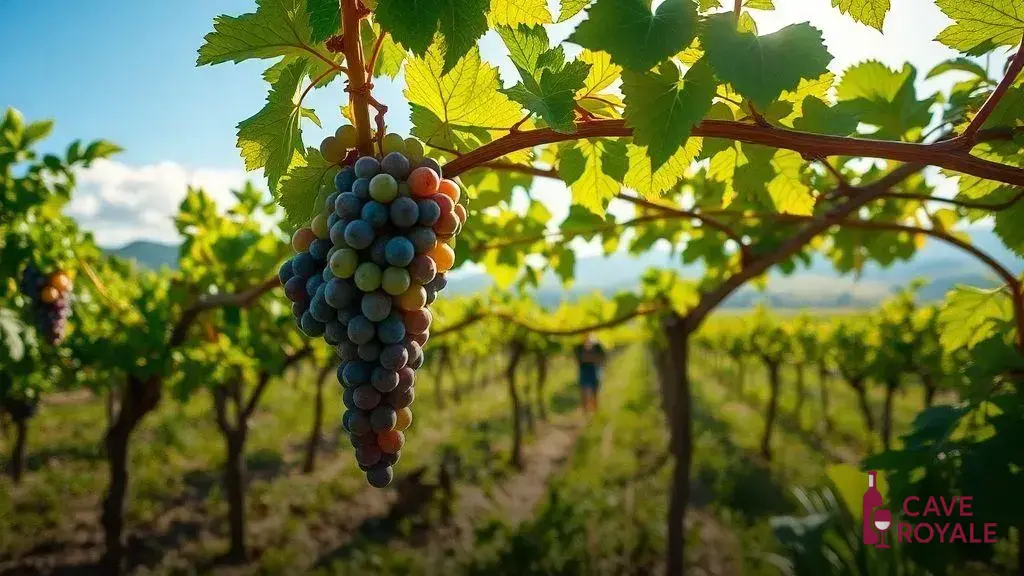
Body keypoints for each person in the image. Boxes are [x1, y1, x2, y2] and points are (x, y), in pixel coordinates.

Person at [574, 333, 607, 414]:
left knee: (594, 391)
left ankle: (595, 411)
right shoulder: (579, 347)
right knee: (583, 391)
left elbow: (603, 357)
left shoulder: (597, 346)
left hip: (594, 370)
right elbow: (578, 359)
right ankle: (585, 411)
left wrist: (595, 360)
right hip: (584, 370)